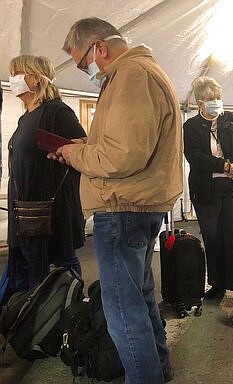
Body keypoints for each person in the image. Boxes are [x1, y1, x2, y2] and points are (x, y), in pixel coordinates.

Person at [58, 17, 182, 383]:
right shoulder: (136, 73)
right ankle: (158, 369)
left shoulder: (132, 76)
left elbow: (123, 156)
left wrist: (74, 155)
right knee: (140, 297)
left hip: (123, 206)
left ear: (99, 47)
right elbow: (124, 146)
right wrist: (80, 148)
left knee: (123, 310)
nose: (86, 70)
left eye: (83, 62)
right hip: (137, 203)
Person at [6, 54, 85, 296]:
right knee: (32, 271)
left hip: (51, 210)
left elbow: (83, 147)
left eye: (18, 73)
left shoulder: (56, 111)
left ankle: (69, 317)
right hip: (26, 209)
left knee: (61, 265)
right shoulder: (25, 116)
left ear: (36, 78)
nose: (12, 79)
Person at [183, 76, 233, 302]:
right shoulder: (191, 126)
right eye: (210, 98)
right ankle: (217, 283)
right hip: (206, 189)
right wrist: (226, 166)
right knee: (212, 236)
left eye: (218, 97)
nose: (216, 102)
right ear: (199, 103)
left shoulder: (231, 119)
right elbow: (194, 157)